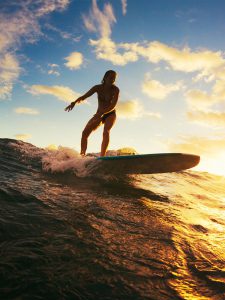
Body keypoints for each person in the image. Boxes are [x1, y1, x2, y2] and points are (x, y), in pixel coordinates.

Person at [65, 70, 119, 157]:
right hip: (98, 114)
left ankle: (102, 156)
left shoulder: (115, 90)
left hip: (110, 113)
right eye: (111, 77)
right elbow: (84, 97)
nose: (112, 80)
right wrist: (74, 102)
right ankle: (82, 156)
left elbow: (113, 105)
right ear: (105, 77)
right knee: (85, 133)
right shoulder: (97, 88)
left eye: (114, 78)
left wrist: (102, 113)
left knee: (106, 131)